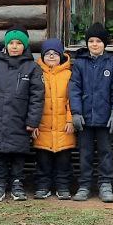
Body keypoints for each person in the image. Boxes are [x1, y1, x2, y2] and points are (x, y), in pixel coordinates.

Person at [0, 29, 44, 202]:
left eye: (19, 43)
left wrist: (33, 121)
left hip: (20, 119)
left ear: (25, 46)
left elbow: (37, 97)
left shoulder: (32, 67)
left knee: (18, 154)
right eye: (11, 43)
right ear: (6, 45)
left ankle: (17, 183)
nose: (15, 47)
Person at [68, 22, 113, 203]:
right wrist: (76, 113)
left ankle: (105, 184)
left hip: (105, 118)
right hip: (84, 118)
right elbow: (74, 89)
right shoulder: (80, 64)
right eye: (91, 40)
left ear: (104, 44)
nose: (94, 44)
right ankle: (84, 185)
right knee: (85, 152)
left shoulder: (112, 63)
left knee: (106, 152)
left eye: (98, 41)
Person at [33, 39, 75, 200]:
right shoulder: (36, 73)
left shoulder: (69, 74)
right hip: (42, 126)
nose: (51, 56)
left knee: (63, 161)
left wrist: (70, 120)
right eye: (48, 54)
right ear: (43, 56)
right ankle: (43, 186)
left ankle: (63, 187)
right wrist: (33, 123)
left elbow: (72, 99)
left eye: (55, 53)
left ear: (61, 56)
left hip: (64, 126)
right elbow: (33, 100)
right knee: (43, 160)